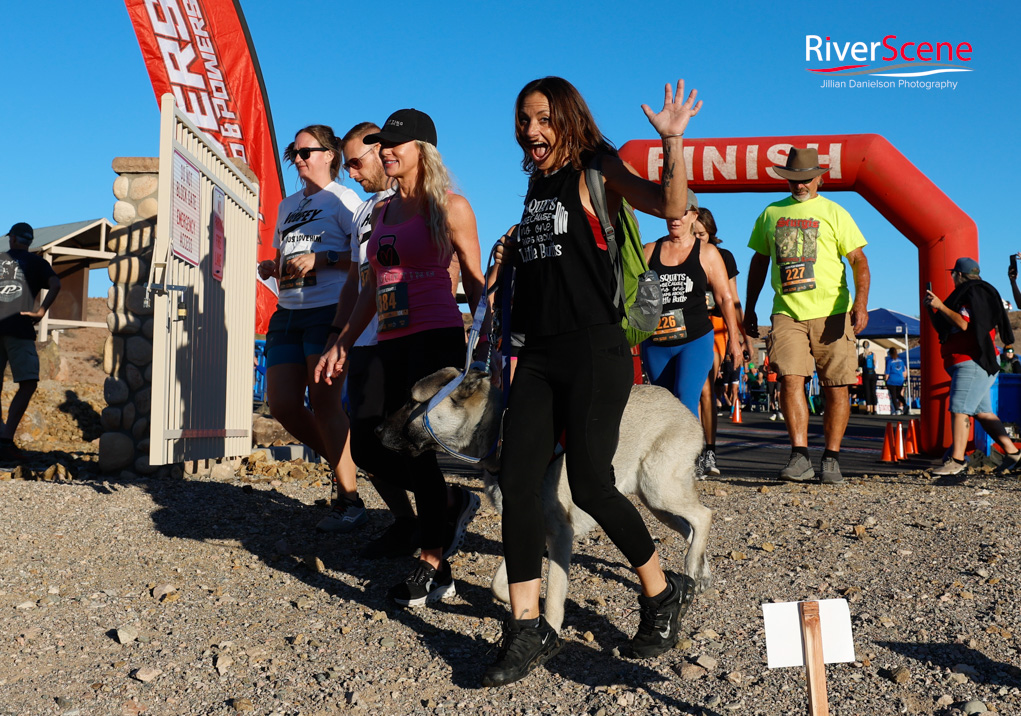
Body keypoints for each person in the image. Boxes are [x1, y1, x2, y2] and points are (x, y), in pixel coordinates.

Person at [483, 77, 702, 688]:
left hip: (595, 350)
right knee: (517, 483)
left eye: (544, 118)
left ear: (570, 120)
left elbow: (671, 206)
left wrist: (672, 143)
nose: (531, 130)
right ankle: (526, 628)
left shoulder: (599, 168)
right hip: (540, 355)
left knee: (592, 483)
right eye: (524, 119)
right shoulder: (534, 185)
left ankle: (661, 591)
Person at [317, 109, 485, 605]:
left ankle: (433, 561)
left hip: (434, 336)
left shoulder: (449, 206)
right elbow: (372, 285)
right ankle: (449, 506)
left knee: (417, 446)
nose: (386, 151)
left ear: (423, 151)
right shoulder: (382, 212)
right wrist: (343, 341)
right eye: (383, 144)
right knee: (370, 443)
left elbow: (475, 278)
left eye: (396, 144)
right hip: (389, 338)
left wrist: (491, 340)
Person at [314, 121, 417, 556]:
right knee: (368, 441)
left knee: (402, 442)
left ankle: (442, 514)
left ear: (382, 151)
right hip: (363, 341)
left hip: (402, 337)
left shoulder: (412, 200)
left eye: (356, 163)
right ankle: (406, 523)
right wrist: (338, 337)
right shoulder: (363, 212)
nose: (351, 173)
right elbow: (357, 283)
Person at [256, 125, 365, 533]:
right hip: (288, 311)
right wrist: (274, 267)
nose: (298, 159)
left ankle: (349, 499)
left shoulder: (346, 199)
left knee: (324, 403)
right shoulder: (286, 207)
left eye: (306, 152)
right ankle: (348, 465)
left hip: (328, 311)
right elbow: (287, 254)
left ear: (330, 154)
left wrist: (323, 259)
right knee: (282, 404)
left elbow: (360, 258)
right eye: (294, 153)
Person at [744, 147, 871, 485]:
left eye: (805, 180)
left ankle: (831, 458)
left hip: (833, 312)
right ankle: (799, 456)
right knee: (789, 377)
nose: (799, 186)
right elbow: (759, 262)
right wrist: (750, 306)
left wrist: (861, 303)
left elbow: (858, 259)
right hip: (787, 312)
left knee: (836, 386)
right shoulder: (771, 213)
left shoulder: (835, 211)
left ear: (819, 178)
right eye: (793, 180)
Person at [640, 194, 743, 422]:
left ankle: (690, 456)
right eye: (670, 213)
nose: (675, 219)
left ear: (694, 216)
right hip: (656, 342)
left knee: (686, 401)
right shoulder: (649, 250)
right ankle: (670, 457)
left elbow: (726, 298)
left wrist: (735, 342)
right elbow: (634, 297)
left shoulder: (707, 253)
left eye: (682, 213)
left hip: (694, 340)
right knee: (664, 406)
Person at [926, 257, 1020, 475]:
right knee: (984, 413)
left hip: (972, 361)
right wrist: (935, 310)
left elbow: (964, 324)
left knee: (959, 409)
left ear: (958, 275)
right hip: (978, 360)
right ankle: (1014, 453)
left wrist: (940, 305)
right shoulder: (982, 293)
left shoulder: (969, 293)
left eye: (953, 274)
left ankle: (957, 461)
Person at [0, 223, 61, 460]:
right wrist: (41, 311)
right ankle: (6, 441)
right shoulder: (37, 263)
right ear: (29, 241)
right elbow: (56, 284)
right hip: (19, 328)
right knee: (27, 382)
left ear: (12, 239)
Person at [693, 207, 746, 476]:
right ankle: (693, 450)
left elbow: (733, 298)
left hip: (715, 327)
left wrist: (743, 336)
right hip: (686, 326)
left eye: (701, 233)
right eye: (693, 233)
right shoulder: (680, 252)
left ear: (711, 232)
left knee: (706, 389)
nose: (697, 238)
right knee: (694, 391)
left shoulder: (723, 256)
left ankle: (709, 451)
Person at [858, 340, 878, 414]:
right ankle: (875, 409)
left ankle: (868, 408)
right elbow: (875, 365)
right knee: (873, 391)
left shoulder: (861, 355)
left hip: (866, 374)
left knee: (867, 391)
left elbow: (859, 365)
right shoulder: (873, 354)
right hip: (873, 374)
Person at [885, 347, 907, 414]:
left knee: (893, 396)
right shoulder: (901, 360)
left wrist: (885, 381)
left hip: (892, 380)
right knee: (898, 394)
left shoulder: (889, 361)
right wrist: (904, 378)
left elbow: (887, 373)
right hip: (900, 380)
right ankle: (905, 404)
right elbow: (904, 371)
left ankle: (897, 409)